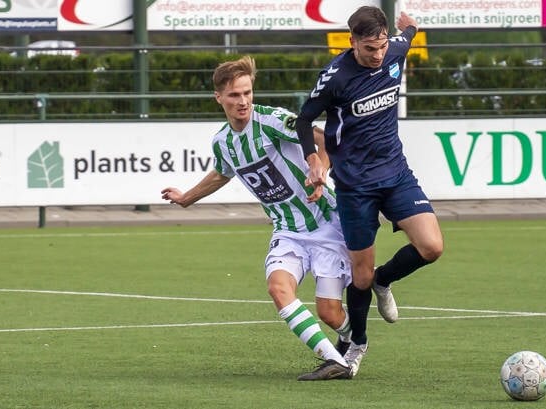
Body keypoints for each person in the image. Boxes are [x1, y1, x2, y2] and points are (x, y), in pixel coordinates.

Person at [161, 56, 355, 381]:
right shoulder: (223, 141)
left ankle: (353, 339)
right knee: (278, 289)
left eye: (247, 93)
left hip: (326, 225)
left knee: (329, 313)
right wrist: (186, 199)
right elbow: (222, 174)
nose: (243, 101)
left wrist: (319, 167)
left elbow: (321, 138)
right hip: (287, 231)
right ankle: (336, 361)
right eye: (235, 95)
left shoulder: (273, 119)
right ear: (219, 98)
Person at [295, 6, 444, 376]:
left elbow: (407, 34)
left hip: (395, 174)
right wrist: (313, 159)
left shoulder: (394, 50)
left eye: (380, 47)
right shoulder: (334, 78)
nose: (377, 55)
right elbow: (302, 120)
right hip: (355, 186)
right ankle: (357, 346)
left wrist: (409, 27)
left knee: (432, 247)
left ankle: (385, 278)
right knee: (357, 276)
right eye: (368, 49)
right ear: (352, 42)